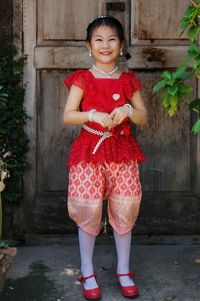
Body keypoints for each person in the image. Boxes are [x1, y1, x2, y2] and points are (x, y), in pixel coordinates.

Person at [63, 15, 147, 300]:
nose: (105, 45)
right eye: (98, 40)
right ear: (89, 45)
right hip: (90, 150)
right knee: (87, 210)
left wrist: (128, 111)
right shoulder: (82, 79)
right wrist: (92, 114)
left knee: (125, 208)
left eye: (112, 39)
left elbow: (143, 116)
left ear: (121, 44)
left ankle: (123, 269)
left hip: (122, 150)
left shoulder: (128, 80)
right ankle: (87, 271)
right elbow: (68, 115)